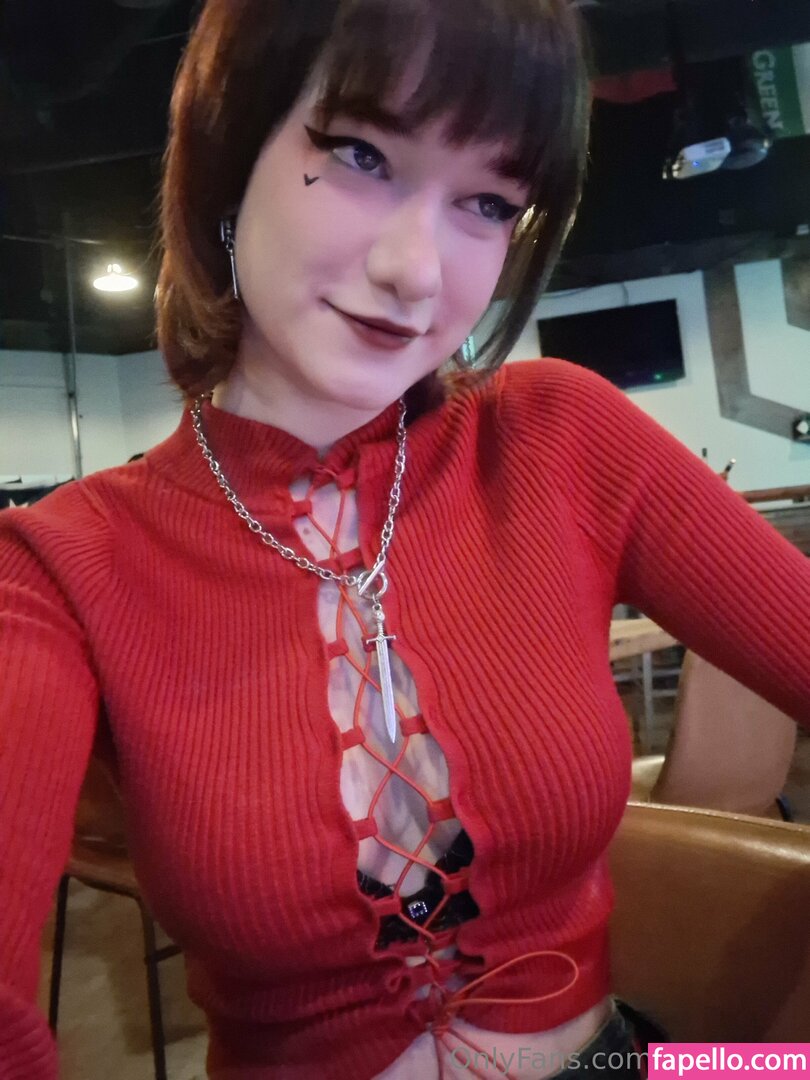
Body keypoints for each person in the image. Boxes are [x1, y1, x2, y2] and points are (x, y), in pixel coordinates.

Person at [1, 1, 809, 1078]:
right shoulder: (61, 567)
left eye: (489, 201)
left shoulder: (559, 437)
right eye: (361, 154)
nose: (418, 272)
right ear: (229, 151)